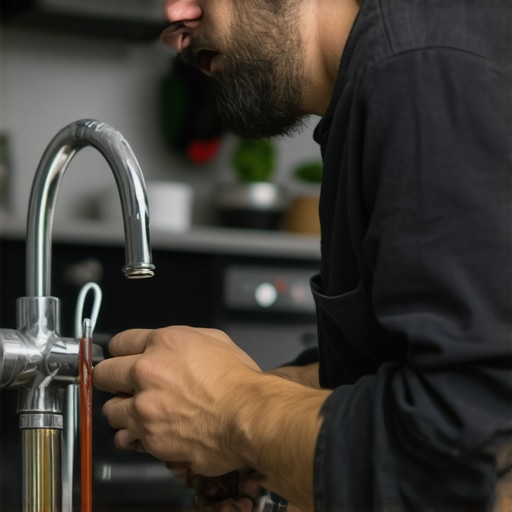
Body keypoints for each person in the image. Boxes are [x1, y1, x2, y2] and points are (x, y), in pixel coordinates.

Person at [93, 0, 512, 510]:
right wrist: (269, 406)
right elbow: (417, 364)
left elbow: (467, 455)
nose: (174, 18)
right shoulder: (376, 82)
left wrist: (232, 412)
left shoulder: (421, 64)